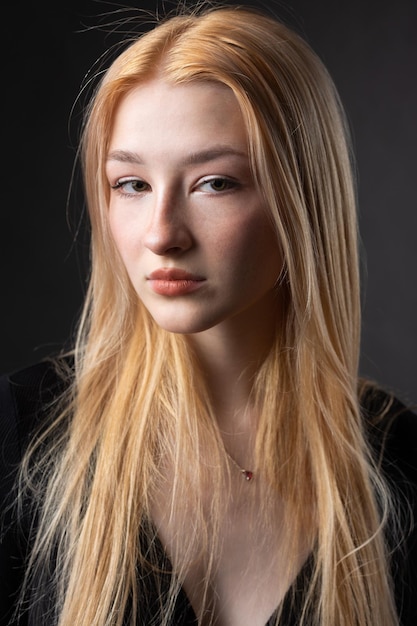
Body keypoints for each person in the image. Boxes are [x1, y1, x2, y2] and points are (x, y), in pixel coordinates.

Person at [1, 3, 416, 625]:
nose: (162, 234)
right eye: (132, 184)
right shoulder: (19, 436)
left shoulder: (399, 464)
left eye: (214, 183)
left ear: (302, 198)